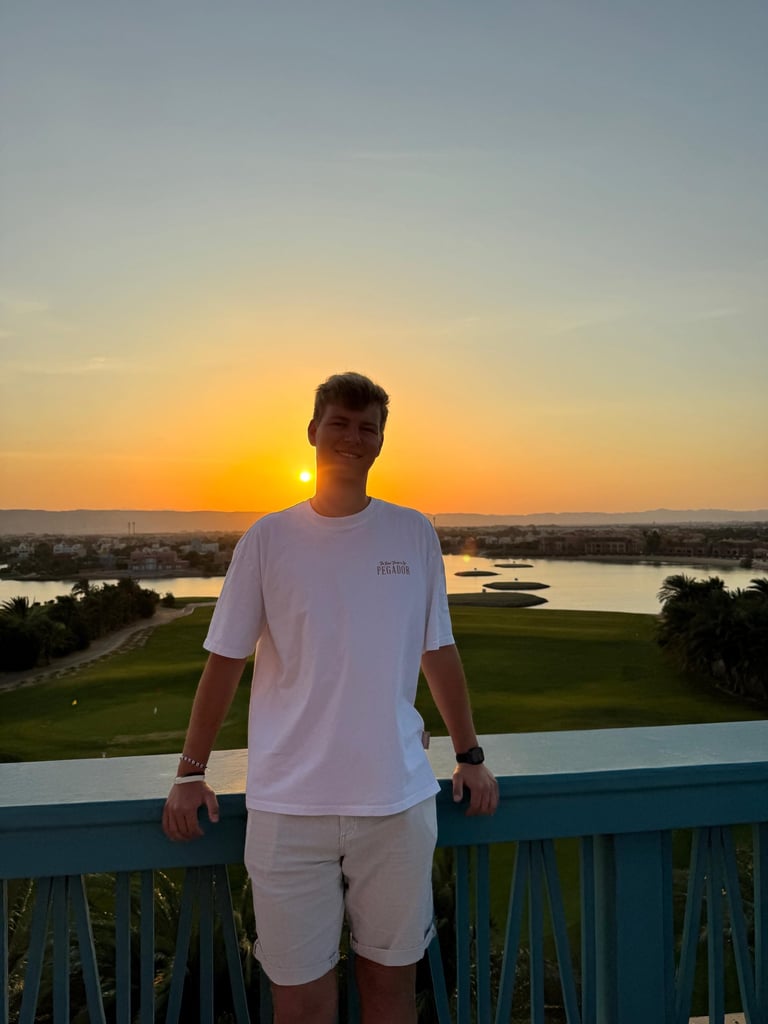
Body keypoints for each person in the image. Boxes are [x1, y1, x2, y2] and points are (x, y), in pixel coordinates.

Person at [162, 371, 498, 1024]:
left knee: (391, 991)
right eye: (339, 423)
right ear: (313, 431)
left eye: (368, 427)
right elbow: (225, 661)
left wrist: (470, 755)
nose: (353, 437)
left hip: (396, 802)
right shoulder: (268, 539)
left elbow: (437, 650)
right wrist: (190, 772)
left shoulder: (413, 532)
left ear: (381, 441)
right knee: (300, 1003)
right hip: (289, 809)